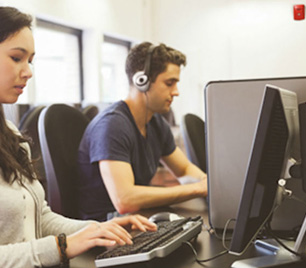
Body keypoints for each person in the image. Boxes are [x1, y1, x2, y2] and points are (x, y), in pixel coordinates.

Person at [0, 5, 156, 268]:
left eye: (29, 60)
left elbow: (38, 218)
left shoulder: (8, 134)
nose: (28, 71)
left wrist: (99, 229)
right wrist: (62, 247)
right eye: (16, 58)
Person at [77, 42, 208, 221]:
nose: (176, 92)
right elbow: (124, 200)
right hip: (106, 227)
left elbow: (184, 169)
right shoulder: (112, 125)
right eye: (169, 83)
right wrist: (197, 189)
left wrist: (208, 185)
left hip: (137, 218)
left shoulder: (155, 123)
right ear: (142, 82)